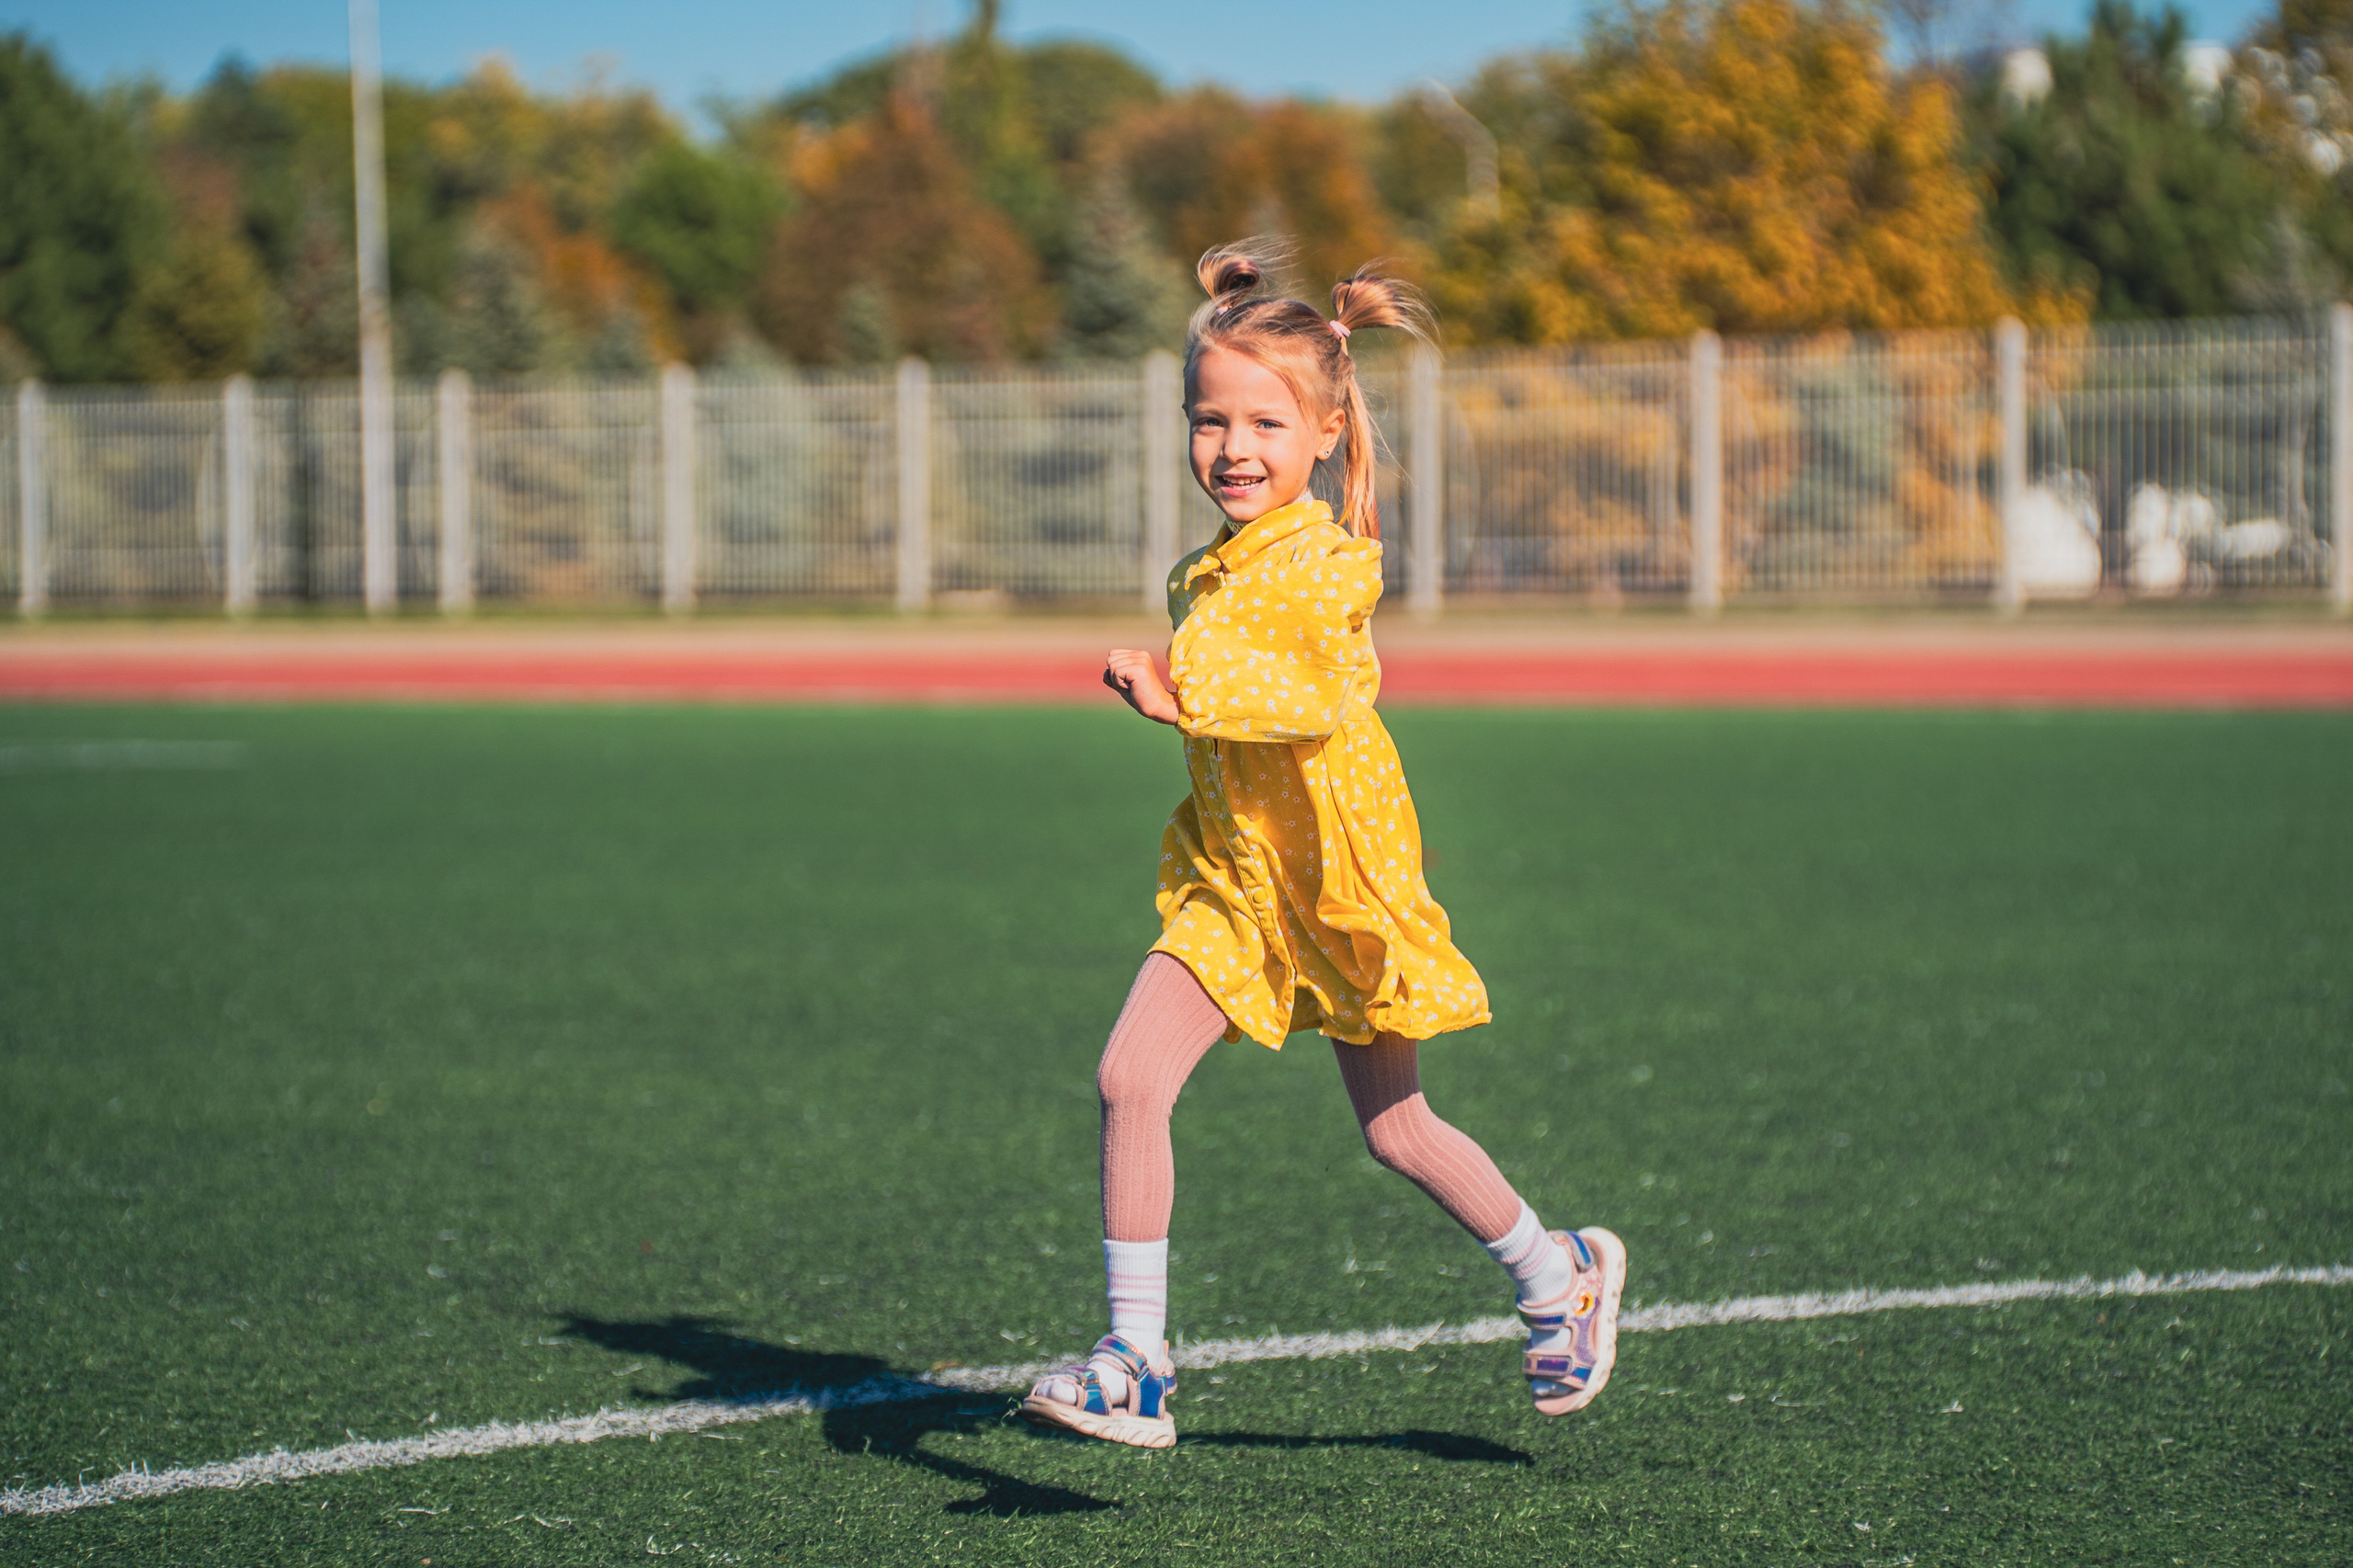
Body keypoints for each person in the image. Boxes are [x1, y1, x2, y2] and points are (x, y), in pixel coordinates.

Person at [1018, 244, 1625, 1450]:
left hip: (1337, 886)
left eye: (1264, 421)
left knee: (1398, 1129)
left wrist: (1184, 688)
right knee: (1129, 1077)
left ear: (1328, 433)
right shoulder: (1208, 570)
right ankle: (1136, 1358)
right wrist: (1189, 687)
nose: (1233, 447)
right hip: (1235, 884)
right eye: (1209, 419)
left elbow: (1309, 690)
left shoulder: (1331, 569)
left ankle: (1560, 1276)